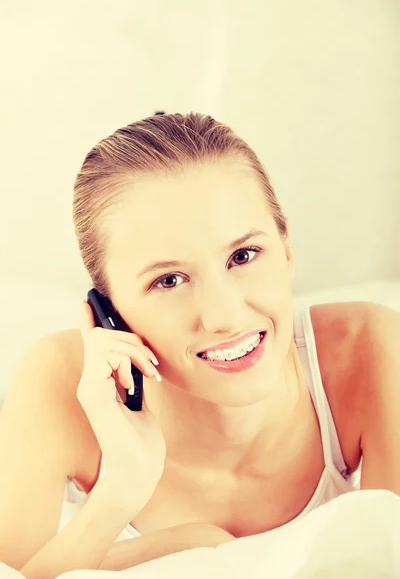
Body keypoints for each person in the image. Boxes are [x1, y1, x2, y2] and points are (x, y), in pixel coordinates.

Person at [0, 112, 399, 577]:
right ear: (110, 313)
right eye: (169, 280)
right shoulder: (58, 382)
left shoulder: (370, 348)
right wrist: (120, 493)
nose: (225, 316)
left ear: (287, 251)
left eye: (243, 255)